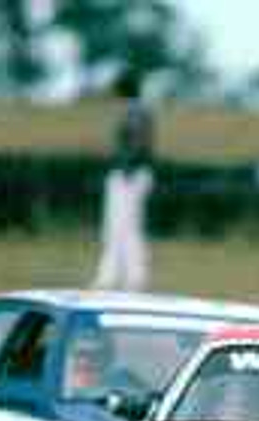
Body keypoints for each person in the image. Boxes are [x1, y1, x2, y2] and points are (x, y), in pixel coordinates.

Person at [91, 69, 157, 292]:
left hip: (130, 175)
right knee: (116, 228)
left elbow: (138, 143)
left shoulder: (135, 111)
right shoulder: (137, 110)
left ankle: (133, 279)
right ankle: (111, 277)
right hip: (131, 173)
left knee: (126, 227)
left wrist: (126, 171)